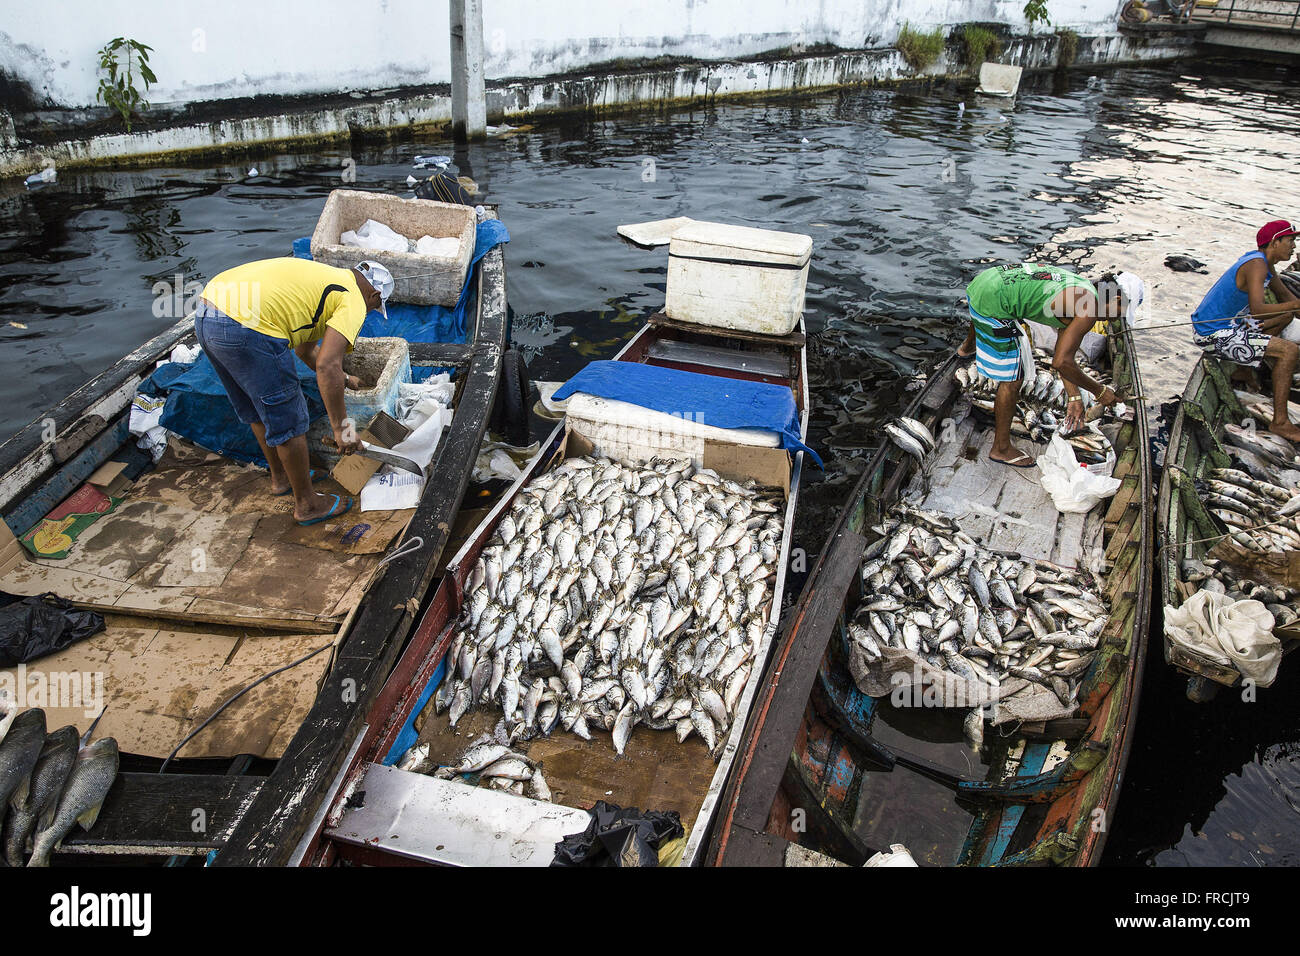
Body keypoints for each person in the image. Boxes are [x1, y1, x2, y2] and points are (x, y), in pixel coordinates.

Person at [194, 256, 393, 525]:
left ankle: (281, 478)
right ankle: (308, 505)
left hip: (209, 313)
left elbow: (306, 350)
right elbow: (326, 365)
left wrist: (344, 378)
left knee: (257, 407)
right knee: (289, 416)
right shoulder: (354, 300)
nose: (370, 311)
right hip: (247, 326)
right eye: (375, 306)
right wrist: (342, 430)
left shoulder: (327, 279)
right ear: (374, 294)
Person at [957, 263, 1145, 468]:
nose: (1113, 320)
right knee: (1014, 377)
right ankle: (1001, 449)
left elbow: (1063, 352)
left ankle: (967, 347)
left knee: (991, 306)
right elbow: (1061, 362)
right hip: (993, 301)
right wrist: (1100, 392)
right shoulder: (1089, 309)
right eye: (1120, 313)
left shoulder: (1082, 289)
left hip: (986, 281)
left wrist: (1074, 396)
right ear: (1117, 300)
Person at [1191, 219, 1300, 441]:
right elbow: (1259, 310)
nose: (1294, 246)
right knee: (1289, 351)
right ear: (1274, 242)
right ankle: (1280, 423)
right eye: (1290, 241)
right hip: (1212, 333)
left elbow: (1285, 298)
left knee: (1286, 316)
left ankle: (1243, 368)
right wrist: (1294, 305)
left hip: (1234, 324)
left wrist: (1294, 306)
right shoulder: (1256, 265)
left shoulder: (1266, 264)